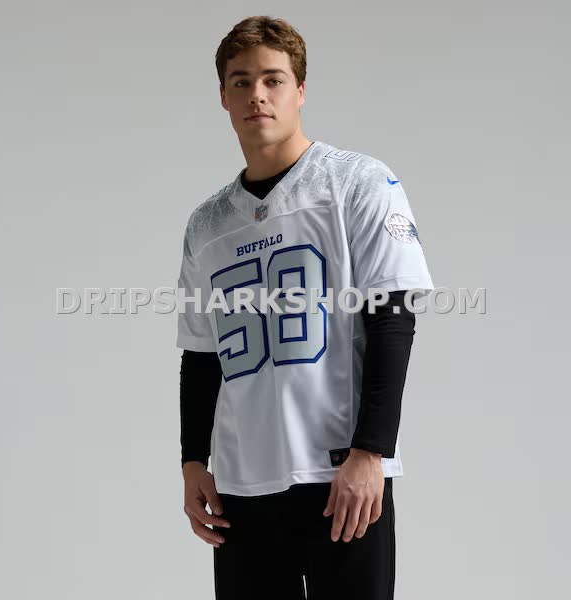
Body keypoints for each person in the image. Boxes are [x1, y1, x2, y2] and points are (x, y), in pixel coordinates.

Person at [177, 16, 434, 600]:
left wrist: (371, 452)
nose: (257, 95)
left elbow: (392, 321)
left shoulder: (356, 183)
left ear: (299, 90)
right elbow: (201, 353)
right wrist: (194, 461)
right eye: (241, 81)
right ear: (223, 96)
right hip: (242, 482)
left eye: (273, 79)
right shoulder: (207, 224)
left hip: (339, 472)